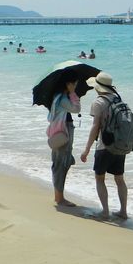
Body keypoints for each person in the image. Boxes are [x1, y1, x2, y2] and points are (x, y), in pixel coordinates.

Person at [80, 72, 128, 220]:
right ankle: (123, 211)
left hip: (104, 146)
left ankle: (105, 212)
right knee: (119, 179)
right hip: (119, 145)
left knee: (99, 178)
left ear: (98, 87)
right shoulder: (118, 99)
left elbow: (95, 127)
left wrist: (86, 149)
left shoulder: (98, 102)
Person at [48, 77, 81, 207]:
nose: (76, 85)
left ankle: (58, 195)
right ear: (68, 84)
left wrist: (71, 93)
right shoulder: (62, 99)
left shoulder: (57, 96)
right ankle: (59, 198)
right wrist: (72, 93)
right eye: (75, 83)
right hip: (63, 132)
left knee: (60, 162)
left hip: (59, 132)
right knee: (61, 163)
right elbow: (76, 109)